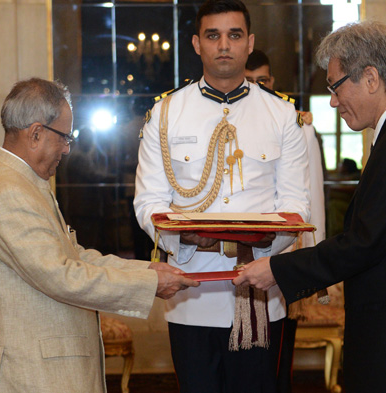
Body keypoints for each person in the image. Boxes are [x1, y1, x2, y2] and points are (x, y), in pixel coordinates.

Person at [234, 21, 386, 393]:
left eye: (335, 85)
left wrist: (277, 268)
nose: (331, 100)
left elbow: (363, 243)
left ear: (371, 78)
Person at [0, 77, 198, 393]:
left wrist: (146, 269)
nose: (68, 148)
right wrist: (150, 284)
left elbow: (73, 257)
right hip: (28, 375)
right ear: (35, 133)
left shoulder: (20, 183)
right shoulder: (8, 192)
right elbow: (62, 277)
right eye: (64, 137)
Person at [133, 0, 311, 391]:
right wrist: (187, 236)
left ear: (250, 43)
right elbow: (149, 202)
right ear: (197, 44)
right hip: (191, 292)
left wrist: (266, 242)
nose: (224, 45)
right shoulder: (165, 114)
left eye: (234, 35)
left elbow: (296, 204)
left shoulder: (282, 116)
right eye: (213, 36)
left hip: (261, 289)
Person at [245, 48, 326, 393]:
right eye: (249, 82)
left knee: (277, 368)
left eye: (262, 80)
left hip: (282, 259)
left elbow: (312, 199)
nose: (256, 87)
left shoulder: (295, 122)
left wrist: (312, 264)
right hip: (230, 260)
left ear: (272, 80)